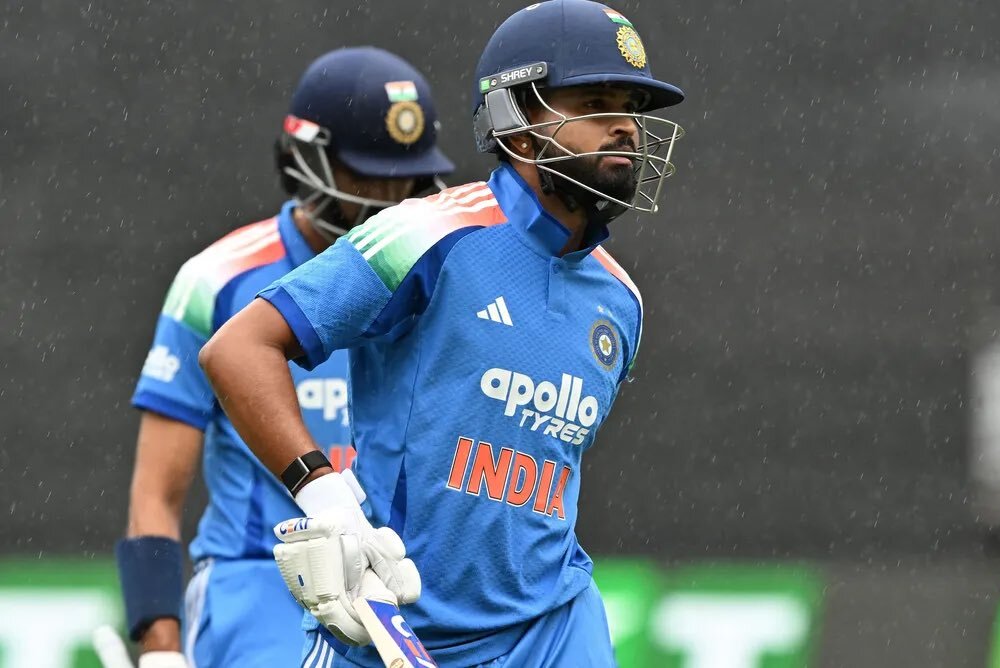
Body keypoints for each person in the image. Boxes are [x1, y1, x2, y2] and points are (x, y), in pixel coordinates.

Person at [198, 1, 686, 665]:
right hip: (390, 625)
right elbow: (238, 348)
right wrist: (325, 497)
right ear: (517, 124)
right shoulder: (426, 235)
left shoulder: (620, 301)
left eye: (631, 107)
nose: (625, 129)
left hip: (553, 629)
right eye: (596, 103)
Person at [116, 46, 453, 667]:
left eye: (406, 180)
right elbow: (155, 496)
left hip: (401, 580)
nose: (393, 200)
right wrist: (159, 646)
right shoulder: (217, 279)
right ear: (308, 162)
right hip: (259, 579)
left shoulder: (444, 272)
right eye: (369, 177)